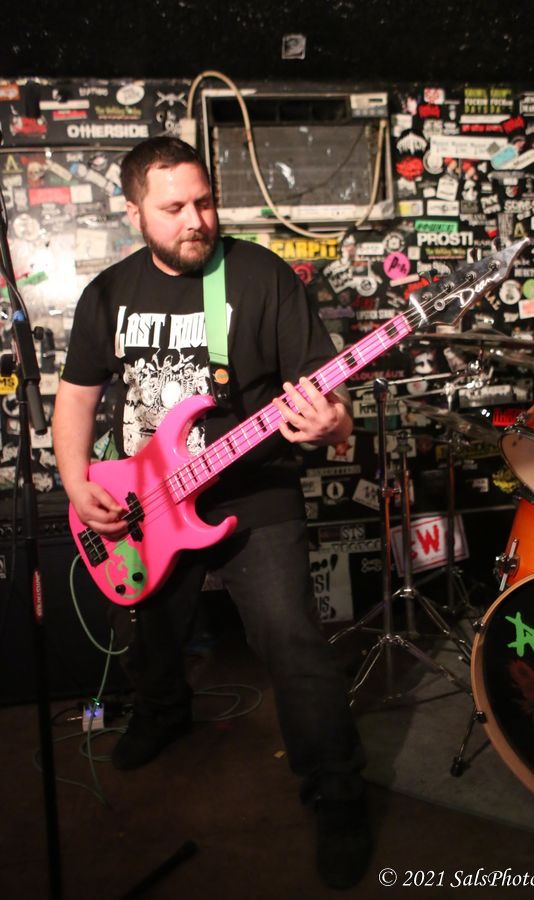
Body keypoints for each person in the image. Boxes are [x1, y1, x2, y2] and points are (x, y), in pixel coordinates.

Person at [52, 136, 372, 890]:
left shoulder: (262, 276)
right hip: (144, 501)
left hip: (251, 490)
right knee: (149, 630)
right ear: (134, 211)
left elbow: (326, 393)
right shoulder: (108, 293)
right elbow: (77, 396)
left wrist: (334, 423)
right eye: (173, 208)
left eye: (204, 201)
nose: (195, 219)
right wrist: (74, 480)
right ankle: (162, 713)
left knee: (292, 638)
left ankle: (335, 789)